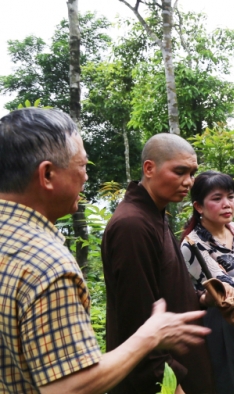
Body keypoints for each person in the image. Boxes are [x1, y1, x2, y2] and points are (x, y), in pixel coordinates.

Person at [0, 108, 210, 394]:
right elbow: (68, 387)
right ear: (47, 174)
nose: (86, 177)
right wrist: (150, 338)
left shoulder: (12, 239)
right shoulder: (48, 263)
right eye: (83, 166)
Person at [103, 133, 228, 394]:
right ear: (149, 168)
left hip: (181, 366)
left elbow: (164, 288)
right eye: (179, 171)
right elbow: (137, 323)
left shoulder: (154, 214)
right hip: (161, 382)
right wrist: (172, 386)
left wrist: (203, 298)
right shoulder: (132, 225)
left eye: (192, 173)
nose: (188, 182)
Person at [180, 171, 234, 394]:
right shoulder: (192, 245)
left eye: (231, 196)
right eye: (217, 198)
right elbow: (225, 290)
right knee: (228, 383)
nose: (227, 204)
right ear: (199, 206)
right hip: (221, 319)